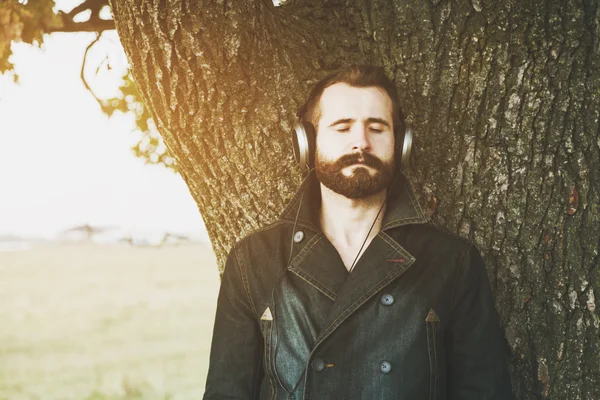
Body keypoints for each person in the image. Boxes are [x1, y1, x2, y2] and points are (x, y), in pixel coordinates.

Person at [203, 65, 515, 399]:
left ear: (401, 144)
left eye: (376, 128)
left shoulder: (452, 261)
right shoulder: (254, 260)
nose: (361, 143)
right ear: (307, 142)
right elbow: (227, 392)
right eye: (342, 127)